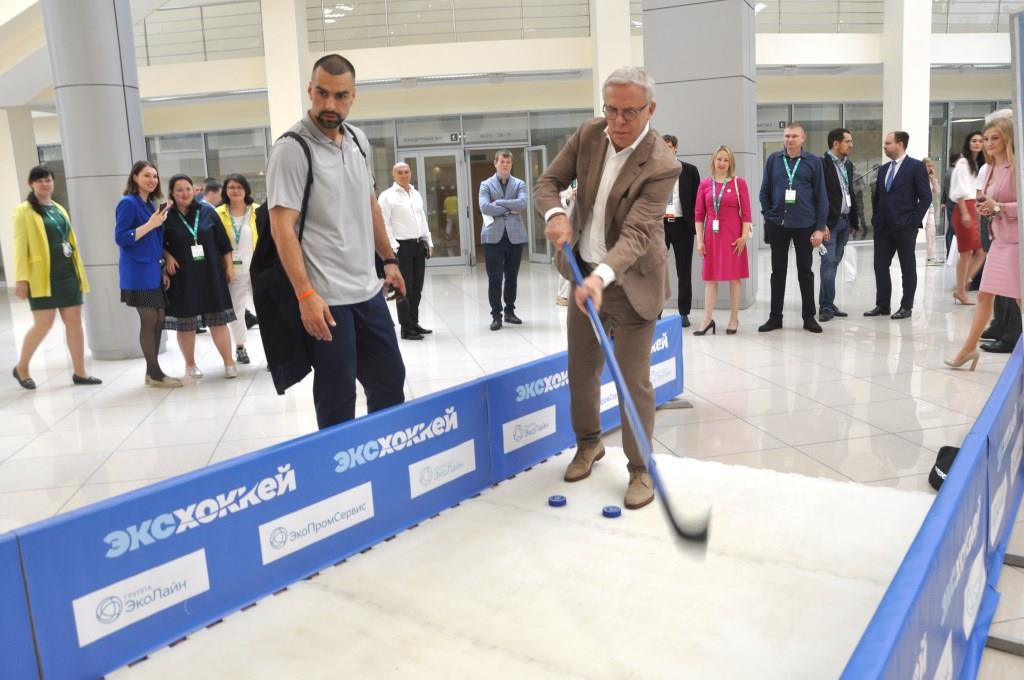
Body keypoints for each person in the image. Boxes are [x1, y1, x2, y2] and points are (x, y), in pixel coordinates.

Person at [535, 65, 678, 511]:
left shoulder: (662, 164)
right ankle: (589, 444)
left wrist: (601, 277)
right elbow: (547, 183)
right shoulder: (589, 134)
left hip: (630, 283)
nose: (617, 121)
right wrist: (554, 215)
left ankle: (639, 469)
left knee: (633, 380)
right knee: (581, 372)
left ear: (650, 109)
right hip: (582, 272)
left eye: (629, 112)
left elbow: (636, 235)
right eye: (610, 110)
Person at [266, 53, 406, 430]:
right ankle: (342, 479)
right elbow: (282, 227)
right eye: (322, 94)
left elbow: (369, 202)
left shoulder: (358, 140)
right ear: (309, 90)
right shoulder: (292, 149)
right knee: (336, 399)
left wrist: (388, 260)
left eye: (340, 96)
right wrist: (305, 296)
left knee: (390, 384)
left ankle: (386, 461)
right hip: (328, 302)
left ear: (353, 96)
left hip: (368, 293)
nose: (330, 105)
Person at [11, 166, 101, 389]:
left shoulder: (59, 208)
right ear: (31, 184)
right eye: (40, 181)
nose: (45, 184)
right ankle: (21, 367)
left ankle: (80, 372)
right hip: (42, 276)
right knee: (43, 324)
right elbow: (20, 248)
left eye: (48, 180)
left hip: (67, 273)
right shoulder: (23, 211)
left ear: (53, 183)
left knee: (74, 323)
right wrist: (21, 279)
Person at [946, 116, 1020, 370]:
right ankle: (968, 349)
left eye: (994, 138)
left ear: (1008, 138)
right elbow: (984, 200)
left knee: (1020, 299)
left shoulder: (1017, 167)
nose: (988, 143)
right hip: (1000, 240)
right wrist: (986, 208)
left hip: (1017, 243)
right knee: (985, 296)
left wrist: (999, 207)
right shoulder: (988, 169)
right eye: (986, 139)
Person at [163, 174, 238, 379]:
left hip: (211, 273)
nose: (184, 193)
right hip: (182, 276)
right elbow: (157, 244)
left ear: (194, 190)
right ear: (172, 193)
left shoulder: (207, 212)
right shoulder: (166, 216)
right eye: (179, 190)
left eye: (188, 189)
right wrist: (167, 255)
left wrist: (229, 268)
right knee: (186, 323)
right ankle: (190, 365)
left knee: (218, 320)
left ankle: (229, 363)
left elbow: (224, 244)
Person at [115, 161, 181, 388]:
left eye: (154, 176)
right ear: (135, 177)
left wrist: (162, 264)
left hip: (152, 269)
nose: (152, 180)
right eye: (146, 175)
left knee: (160, 318)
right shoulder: (128, 203)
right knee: (150, 319)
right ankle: (155, 374)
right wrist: (151, 224)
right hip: (137, 271)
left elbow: (155, 240)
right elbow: (122, 238)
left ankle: (151, 372)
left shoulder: (150, 204)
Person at [758, 122, 828, 333]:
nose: (790, 140)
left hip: (804, 225)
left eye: (794, 136)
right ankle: (775, 317)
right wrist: (768, 216)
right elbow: (765, 191)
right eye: (787, 136)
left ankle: (809, 317)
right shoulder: (774, 160)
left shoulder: (813, 162)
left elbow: (821, 196)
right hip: (778, 224)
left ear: (803, 138)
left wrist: (819, 227)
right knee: (777, 272)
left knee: (805, 272)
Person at [864, 131, 932, 320]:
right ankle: (882, 304)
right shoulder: (884, 169)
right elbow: (878, 197)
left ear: (900, 144)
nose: (884, 146)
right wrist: (876, 218)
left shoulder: (916, 167)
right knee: (880, 266)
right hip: (883, 227)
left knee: (907, 267)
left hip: (905, 226)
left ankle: (906, 306)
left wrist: (913, 220)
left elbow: (926, 196)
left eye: (888, 143)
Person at [692, 146, 751, 335]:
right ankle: (707, 319)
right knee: (710, 279)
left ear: (730, 163)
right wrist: (700, 241)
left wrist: (743, 237)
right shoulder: (705, 184)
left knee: (734, 279)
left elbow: (747, 214)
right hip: (711, 237)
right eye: (719, 159)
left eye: (726, 160)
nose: (722, 163)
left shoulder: (738, 183)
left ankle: (734, 318)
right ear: (713, 161)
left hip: (734, 237)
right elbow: (699, 216)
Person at [379, 161, 434, 340]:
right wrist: (393, 247)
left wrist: (428, 241)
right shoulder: (387, 196)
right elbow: (383, 224)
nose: (404, 175)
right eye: (400, 172)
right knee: (405, 288)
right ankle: (406, 328)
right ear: (393, 175)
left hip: (418, 245)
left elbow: (422, 219)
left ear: (411, 173)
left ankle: (414, 322)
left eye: (406, 171)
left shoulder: (416, 193)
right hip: (401, 247)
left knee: (417, 288)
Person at [479, 150, 528, 330]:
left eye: (508, 162)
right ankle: (496, 316)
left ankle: (509, 312)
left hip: (515, 237)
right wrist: (509, 208)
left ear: (511, 164)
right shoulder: (485, 184)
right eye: (502, 162)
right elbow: (484, 207)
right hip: (493, 237)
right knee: (495, 278)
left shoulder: (519, 183)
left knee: (512, 278)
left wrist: (498, 203)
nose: (505, 165)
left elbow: (522, 203)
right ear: (495, 163)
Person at [215, 174, 259, 364]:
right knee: (237, 310)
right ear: (225, 190)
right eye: (231, 187)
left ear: (246, 190)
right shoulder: (218, 213)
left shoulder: (257, 210)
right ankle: (240, 348)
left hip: (258, 269)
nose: (235, 190)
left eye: (239, 187)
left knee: (265, 311)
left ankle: (273, 355)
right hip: (233, 271)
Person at [819, 128, 860, 322]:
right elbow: (817, 197)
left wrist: (854, 220)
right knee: (828, 263)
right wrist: (821, 224)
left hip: (844, 221)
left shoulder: (848, 165)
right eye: (848, 141)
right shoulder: (821, 164)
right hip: (829, 223)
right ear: (836, 143)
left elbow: (849, 191)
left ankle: (828, 301)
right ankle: (825, 306)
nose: (851, 145)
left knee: (834, 263)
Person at [661, 134, 701, 328]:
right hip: (659, 226)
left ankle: (684, 312)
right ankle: (655, 312)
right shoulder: (652, 171)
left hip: (682, 226)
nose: (666, 150)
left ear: (676, 148)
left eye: (669, 147)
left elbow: (697, 201)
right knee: (656, 271)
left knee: (684, 271)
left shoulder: (690, 171)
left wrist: (694, 224)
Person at [949, 131, 986, 304]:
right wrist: (964, 213)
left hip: (974, 209)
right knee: (966, 253)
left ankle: (961, 287)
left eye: (980, 141)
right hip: (964, 208)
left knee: (980, 251)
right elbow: (960, 191)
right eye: (974, 140)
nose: (978, 143)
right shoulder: (963, 163)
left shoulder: (976, 164)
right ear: (968, 142)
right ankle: (961, 290)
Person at [922, 158, 942, 265]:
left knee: (931, 233)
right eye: (928, 165)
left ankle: (931, 257)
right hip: (919, 208)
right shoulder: (919, 178)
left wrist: (933, 178)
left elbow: (937, 191)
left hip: (929, 208)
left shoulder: (931, 178)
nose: (930, 168)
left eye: (932, 166)